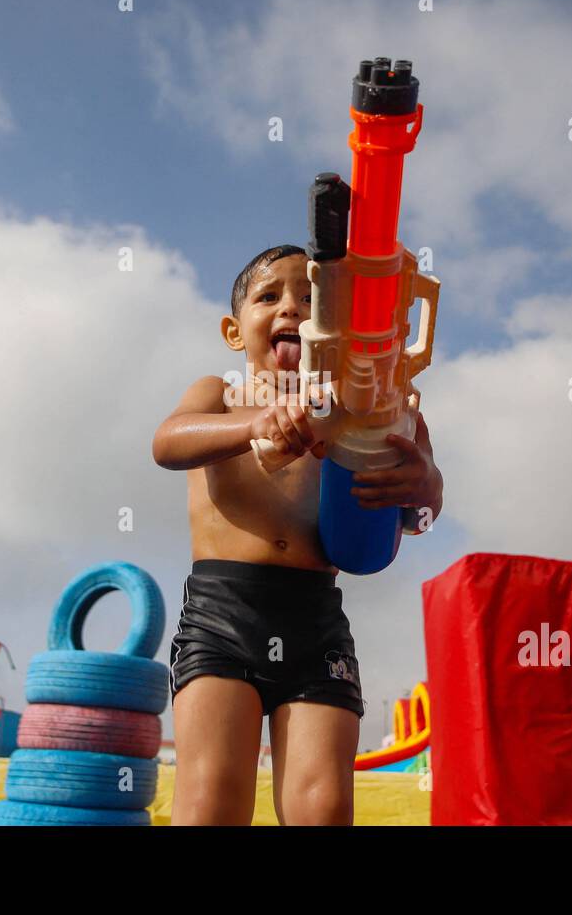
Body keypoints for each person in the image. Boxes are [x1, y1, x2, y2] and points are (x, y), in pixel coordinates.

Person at [151, 243, 443, 825]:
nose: (292, 308)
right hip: (221, 614)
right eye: (270, 296)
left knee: (325, 808)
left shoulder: (363, 408)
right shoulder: (223, 395)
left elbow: (417, 515)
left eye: (312, 299)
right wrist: (254, 423)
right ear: (235, 331)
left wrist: (426, 485)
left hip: (316, 620)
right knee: (211, 803)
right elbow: (168, 442)